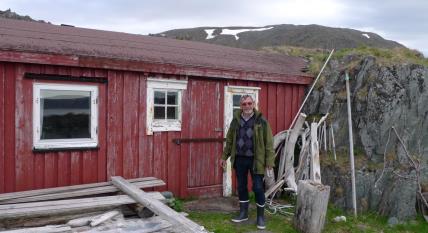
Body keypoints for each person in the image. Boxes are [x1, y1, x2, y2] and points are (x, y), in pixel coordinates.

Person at [220, 94, 275, 230]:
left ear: (254, 104)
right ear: (241, 106)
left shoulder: (261, 121)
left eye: (249, 103)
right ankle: (243, 213)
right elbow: (230, 140)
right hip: (239, 159)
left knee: (257, 187)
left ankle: (260, 217)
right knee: (242, 187)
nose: (247, 106)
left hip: (256, 160)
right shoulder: (235, 120)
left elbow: (269, 142)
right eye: (244, 104)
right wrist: (224, 156)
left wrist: (269, 160)